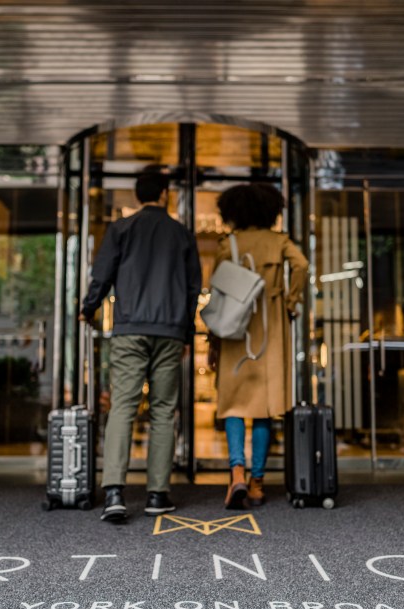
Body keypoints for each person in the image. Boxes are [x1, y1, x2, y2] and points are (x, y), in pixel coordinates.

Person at [81, 170, 202, 522]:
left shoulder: (121, 229)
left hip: (130, 328)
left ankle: (115, 493)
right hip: (169, 332)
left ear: (138, 195)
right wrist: (187, 334)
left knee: (123, 406)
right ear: (164, 194)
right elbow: (194, 289)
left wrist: (89, 309)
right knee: (164, 411)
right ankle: (156, 494)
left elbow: (101, 275)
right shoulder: (182, 234)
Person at [209, 183, 308, 509]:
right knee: (264, 408)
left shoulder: (229, 245)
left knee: (234, 405)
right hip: (271, 332)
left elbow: (219, 293)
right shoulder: (279, 242)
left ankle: (236, 472)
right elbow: (302, 266)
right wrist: (290, 302)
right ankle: (257, 483)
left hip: (236, 334)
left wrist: (213, 342)